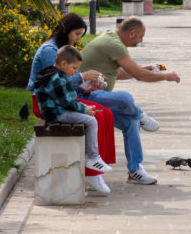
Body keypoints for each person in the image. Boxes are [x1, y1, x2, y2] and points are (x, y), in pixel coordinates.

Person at [80, 17, 181, 185]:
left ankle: (135, 170)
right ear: (132, 33)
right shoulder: (114, 44)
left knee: (130, 122)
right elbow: (139, 76)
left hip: (98, 100)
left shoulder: (111, 39)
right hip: (84, 98)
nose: (141, 40)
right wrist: (165, 76)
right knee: (125, 98)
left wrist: (146, 68)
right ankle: (141, 115)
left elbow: (118, 74)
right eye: (141, 36)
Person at [27, 12, 115, 195]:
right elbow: (59, 84)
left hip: (59, 101)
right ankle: (92, 170)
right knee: (97, 116)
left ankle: (96, 168)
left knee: (105, 114)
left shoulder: (62, 49)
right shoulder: (50, 50)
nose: (77, 40)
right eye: (76, 34)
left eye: (81, 35)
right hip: (49, 105)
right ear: (65, 31)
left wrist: (87, 86)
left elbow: (66, 86)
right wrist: (82, 77)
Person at [35, 45, 112, 176]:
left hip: (56, 111)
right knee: (91, 121)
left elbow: (69, 98)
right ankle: (93, 157)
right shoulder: (57, 79)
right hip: (56, 114)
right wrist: (84, 109)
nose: (75, 72)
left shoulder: (54, 75)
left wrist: (84, 105)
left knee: (90, 117)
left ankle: (89, 155)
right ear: (64, 63)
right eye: (74, 68)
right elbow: (66, 102)